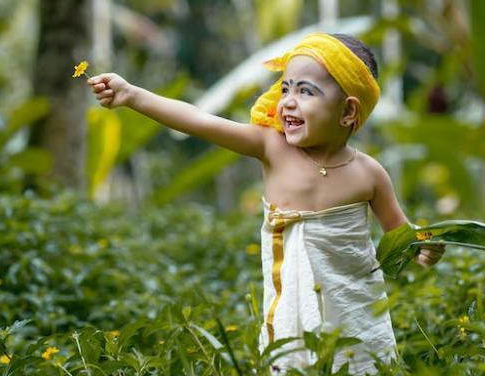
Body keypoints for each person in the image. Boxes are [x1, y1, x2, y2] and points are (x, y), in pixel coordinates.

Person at [87, 32, 445, 374]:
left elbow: (401, 232)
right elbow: (199, 120)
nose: (287, 100)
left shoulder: (369, 174)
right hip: (291, 310)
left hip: (355, 308)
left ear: (348, 112)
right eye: (285, 87)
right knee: (293, 362)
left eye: (306, 92)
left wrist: (424, 245)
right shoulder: (272, 148)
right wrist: (133, 95)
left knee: (360, 363)